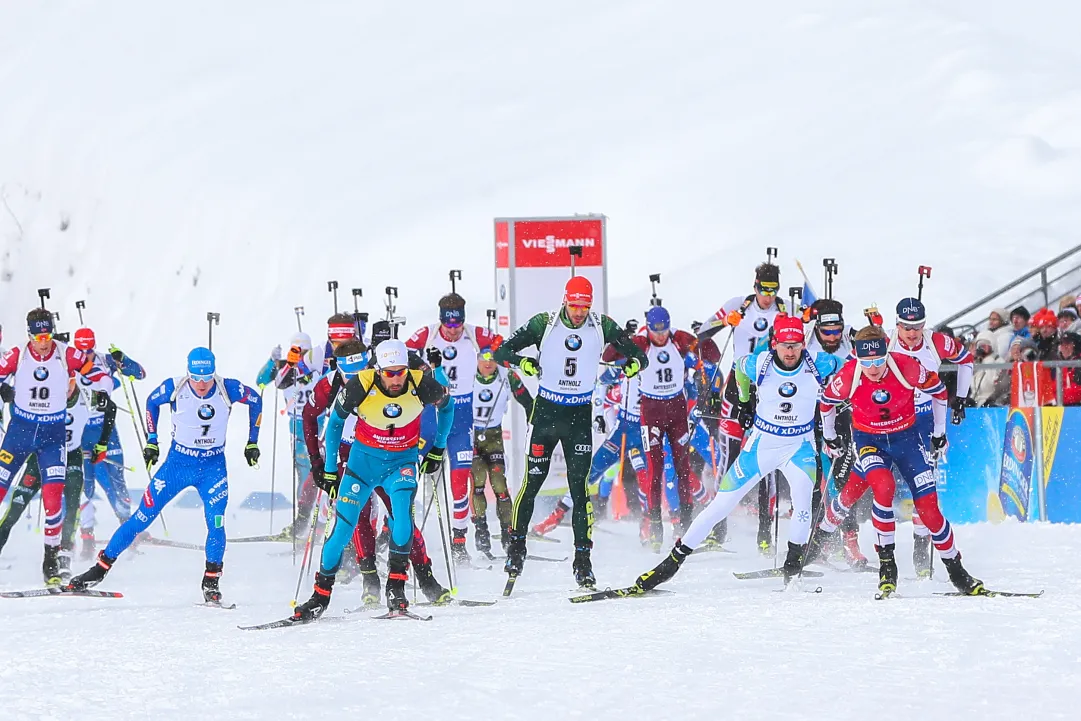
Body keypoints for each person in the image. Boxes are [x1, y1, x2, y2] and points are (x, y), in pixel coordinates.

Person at [634, 315, 837, 591]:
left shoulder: (818, 363)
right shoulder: (760, 363)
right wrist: (744, 401)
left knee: (803, 505)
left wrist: (840, 403)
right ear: (774, 343)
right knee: (720, 505)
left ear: (803, 343)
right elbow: (739, 368)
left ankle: (792, 569)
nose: (790, 352)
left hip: (798, 447)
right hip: (762, 445)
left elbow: (851, 369)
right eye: (785, 345)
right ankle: (672, 563)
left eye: (796, 345)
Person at [67, 348, 263, 603]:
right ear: (188, 373)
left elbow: (256, 400)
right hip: (177, 465)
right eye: (196, 378)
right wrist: (152, 441)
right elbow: (151, 402)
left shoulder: (228, 388)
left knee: (216, 523)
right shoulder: (176, 387)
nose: (202, 385)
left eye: (206, 378)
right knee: (141, 517)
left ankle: (211, 581)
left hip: (213, 468)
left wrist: (252, 442)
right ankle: (99, 569)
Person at [806, 326, 984, 597]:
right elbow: (827, 402)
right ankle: (886, 566)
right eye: (867, 362)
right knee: (882, 487)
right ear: (858, 358)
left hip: (907, 440)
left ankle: (957, 571)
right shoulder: (849, 375)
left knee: (929, 510)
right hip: (870, 443)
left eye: (878, 360)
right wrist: (829, 437)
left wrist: (939, 433)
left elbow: (938, 392)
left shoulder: (906, 366)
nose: (874, 368)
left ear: (887, 354)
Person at [494, 276, 648, 589]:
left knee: (580, 491)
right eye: (575, 305)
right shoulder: (544, 323)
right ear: (566, 300)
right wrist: (522, 362)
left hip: (579, 417)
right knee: (532, 483)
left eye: (585, 306)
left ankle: (583, 562)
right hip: (547, 414)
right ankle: (517, 548)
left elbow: (639, 356)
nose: (579, 312)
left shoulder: (602, 324)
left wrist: (631, 366)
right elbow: (501, 352)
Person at [292, 339, 453, 620]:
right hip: (362, 465)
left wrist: (438, 448)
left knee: (402, 519)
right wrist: (328, 467)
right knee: (343, 529)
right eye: (389, 373)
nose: (395, 379)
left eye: (400, 371)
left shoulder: (422, 383)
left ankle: (396, 587)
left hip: (401, 463)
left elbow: (448, 408)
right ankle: (320, 595)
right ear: (378, 370)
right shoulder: (360, 384)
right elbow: (334, 423)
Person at [0, 309, 104, 584]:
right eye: (38, 336)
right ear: (29, 335)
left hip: (52, 436)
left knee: (54, 498)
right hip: (19, 432)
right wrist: (2, 390)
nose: (43, 342)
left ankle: (51, 558)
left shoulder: (65, 354)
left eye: (47, 335)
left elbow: (99, 376)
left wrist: (94, 386)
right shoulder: (17, 354)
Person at [696, 263, 787, 552]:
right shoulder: (739, 305)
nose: (768, 296)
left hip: (768, 385)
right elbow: (701, 334)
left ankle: (764, 532)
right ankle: (717, 529)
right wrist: (725, 322)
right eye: (764, 289)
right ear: (755, 284)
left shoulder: (784, 311)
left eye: (773, 290)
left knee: (766, 461)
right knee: (729, 459)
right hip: (737, 384)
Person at [612, 305, 720, 548]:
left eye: (664, 330)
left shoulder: (679, 340)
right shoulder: (641, 343)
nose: (660, 336)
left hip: (678, 412)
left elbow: (709, 356)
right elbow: (610, 355)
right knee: (654, 471)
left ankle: (686, 523)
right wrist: (622, 338)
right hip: (651, 414)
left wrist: (702, 336)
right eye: (655, 331)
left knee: (682, 468)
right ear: (648, 328)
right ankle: (654, 527)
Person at [406, 293, 497, 565]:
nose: (454, 331)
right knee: (411, 476)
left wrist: (496, 356)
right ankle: (396, 533)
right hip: (430, 417)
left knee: (459, 482)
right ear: (441, 321)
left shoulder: (474, 334)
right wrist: (422, 365)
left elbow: (502, 345)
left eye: (458, 325)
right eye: (449, 326)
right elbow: (400, 351)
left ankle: (459, 540)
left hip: (461, 418)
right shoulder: (428, 335)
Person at [888, 297, 973, 576]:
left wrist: (960, 397)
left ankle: (921, 545)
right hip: (892, 421)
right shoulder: (885, 342)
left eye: (917, 327)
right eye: (906, 327)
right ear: (897, 324)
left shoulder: (936, 342)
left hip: (925, 419)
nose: (912, 334)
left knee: (924, 488)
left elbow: (966, 360)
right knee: (878, 484)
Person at [0, 380, 114, 582]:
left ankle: (63, 559)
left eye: (69, 382)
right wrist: (8, 395)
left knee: (71, 508)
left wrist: (102, 444)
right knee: (16, 507)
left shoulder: (87, 395)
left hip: (71, 457)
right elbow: (16, 401)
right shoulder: (48, 392)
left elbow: (111, 408)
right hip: (42, 456)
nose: (65, 388)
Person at [72, 327, 146, 549]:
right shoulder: (68, 362)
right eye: (80, 350)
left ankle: (127, 529)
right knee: (83, 484)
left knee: (116, 482)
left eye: (89, 350)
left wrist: (122, 359)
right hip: (80, 430)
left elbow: (140, 373)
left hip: (105, 429)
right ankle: (85, 535)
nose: (85, 355)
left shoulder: (105, 360)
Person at [258, 332, 325, 540]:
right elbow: (261, 382)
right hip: (296, 425)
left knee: (318, 472)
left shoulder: (316, 366)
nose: (300, 355)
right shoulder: (286, 369)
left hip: (318, 422)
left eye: (304, 351)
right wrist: (272, 361)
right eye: (295, 351)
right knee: (302, 472)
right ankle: (303, 522)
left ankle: (318, 522)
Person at [470, 348, 533, 556]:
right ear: (477, 360)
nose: (488, 364)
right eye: (483, 359)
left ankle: (508, 532)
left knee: (499, 484)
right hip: (472, 436)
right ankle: (481, 531)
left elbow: (527, 401)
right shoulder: (468, 375)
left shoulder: (507, 376)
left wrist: (536, 421)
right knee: (478, 482)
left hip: (494, 437)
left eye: (492, 360)